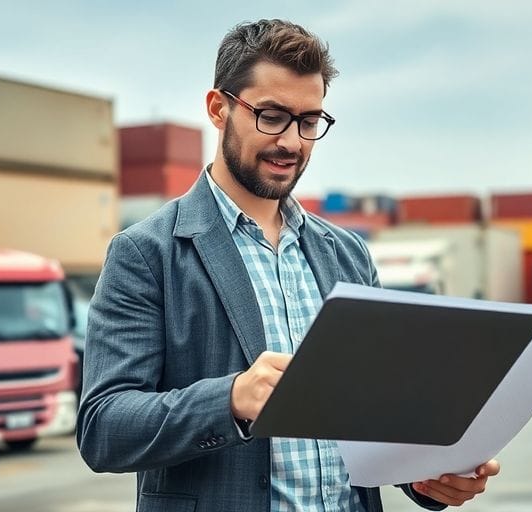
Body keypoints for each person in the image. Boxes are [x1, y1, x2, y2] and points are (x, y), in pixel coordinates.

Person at [77, 19, 499, 512]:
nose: (293, 142)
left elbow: (375, 414)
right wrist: (231, 399)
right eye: (272, 116)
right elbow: (103, 427)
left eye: (309, 122)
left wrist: (426, 475)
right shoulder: (146, 254)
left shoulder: (348, 254)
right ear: (218, 108)